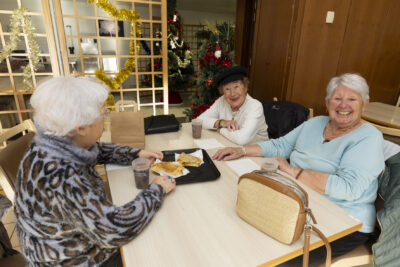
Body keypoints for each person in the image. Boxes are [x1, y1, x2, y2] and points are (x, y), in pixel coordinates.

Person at [213, 73, 384, 266]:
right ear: (327, 102)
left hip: (345, 220)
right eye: (337, 98)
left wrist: (293, 171)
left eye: (352, 99)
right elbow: (280, 146)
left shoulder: (369, 138)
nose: (343, 105)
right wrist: (242, 150)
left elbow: (347, 188)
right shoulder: (315, 123)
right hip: (298, 202)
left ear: (365, 103)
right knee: (237, 224)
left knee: (271, 259)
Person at [14, 77, 176, 267]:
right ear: (81, 127)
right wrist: (156, 190)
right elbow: (113, 230)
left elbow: (95, 149)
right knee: (159, 249)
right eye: (103, 113)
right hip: (69, 259)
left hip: (67, 237)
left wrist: (136, 153)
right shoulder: (61, 175)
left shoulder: (53, 142)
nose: (106, 117)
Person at [197, 66, 269, 145]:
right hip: (232, 148)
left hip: (257, 154)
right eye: (227, 89)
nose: (232, 93)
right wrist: (221, 123)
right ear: (223, 91)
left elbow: (241, 139)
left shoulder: (255, 106)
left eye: (236, 87)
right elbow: (199, 120)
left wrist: (220, 129)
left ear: (245, 87)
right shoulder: (222, 101)